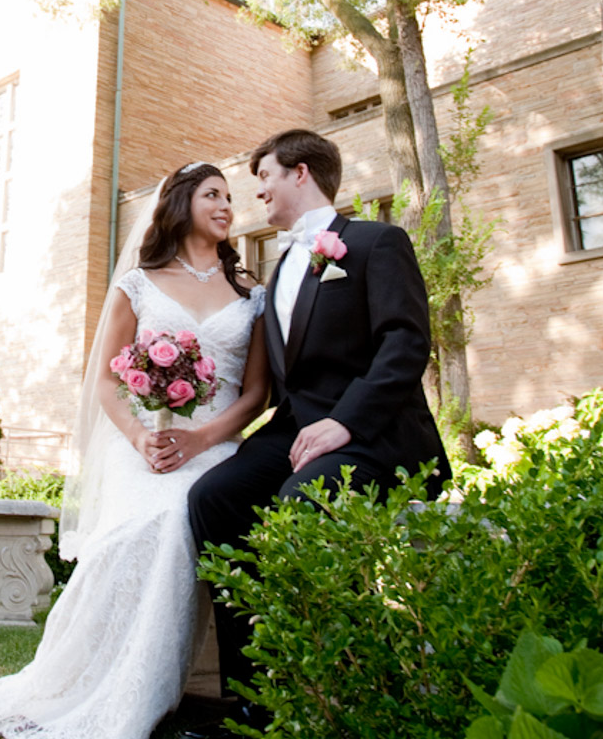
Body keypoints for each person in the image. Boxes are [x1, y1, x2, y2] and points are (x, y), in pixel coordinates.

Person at [0, 162, 268, 739]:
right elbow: (109, 383)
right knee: (144, 523)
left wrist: (203, 438)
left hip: (216, 446)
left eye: (229, 197)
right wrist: (143, 437)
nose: (225, 205)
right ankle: (100, 677)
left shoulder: (250, 293)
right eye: (212, 194)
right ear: (181, 202)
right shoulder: (139, 283)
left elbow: (256, 393)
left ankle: (159, 687)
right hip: (145, 444)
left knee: (179, 517)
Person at [188, 128, 452, 700]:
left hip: (374, 433)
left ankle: (330, 689)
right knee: (213, 497)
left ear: (300, 173)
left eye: (266, 177)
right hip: (296, 431)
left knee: (301, 502)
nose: (257, 194)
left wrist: (347, 421)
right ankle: (254, 695)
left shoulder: (377, 242)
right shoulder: (281, 267)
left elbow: (405, 343)